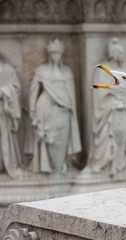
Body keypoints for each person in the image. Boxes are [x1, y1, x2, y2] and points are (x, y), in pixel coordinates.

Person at [86, 37, 126, 175]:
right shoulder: (103, 71)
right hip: (110, 113)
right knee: (109, 136)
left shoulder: (122, 70)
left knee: (124, 136)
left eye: (120, 54)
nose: (119, 57)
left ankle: (123, 164)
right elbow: (101, 96)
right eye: (117, 54)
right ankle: (105, 164)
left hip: (124, 112)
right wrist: (113, 103)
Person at [29, 39, 81, 173]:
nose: (55, 57)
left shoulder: (67, 72)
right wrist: (32, 111)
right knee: (46, 140)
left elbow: (71, 96)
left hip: (63, 110)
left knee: (62, 139)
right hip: (45, 108)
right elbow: (33, 92)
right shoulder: (41, 71)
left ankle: (62, 164)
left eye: (58, 54)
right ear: (49, 54)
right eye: (53, 54)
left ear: (61, 54)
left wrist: (71, 109)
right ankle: (46, 167)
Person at [0, 55, 22, 178]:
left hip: (4, 111)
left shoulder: (8, 70)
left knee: (5, 139)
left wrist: (3, 91)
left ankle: (7, 165)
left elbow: (16, 87)